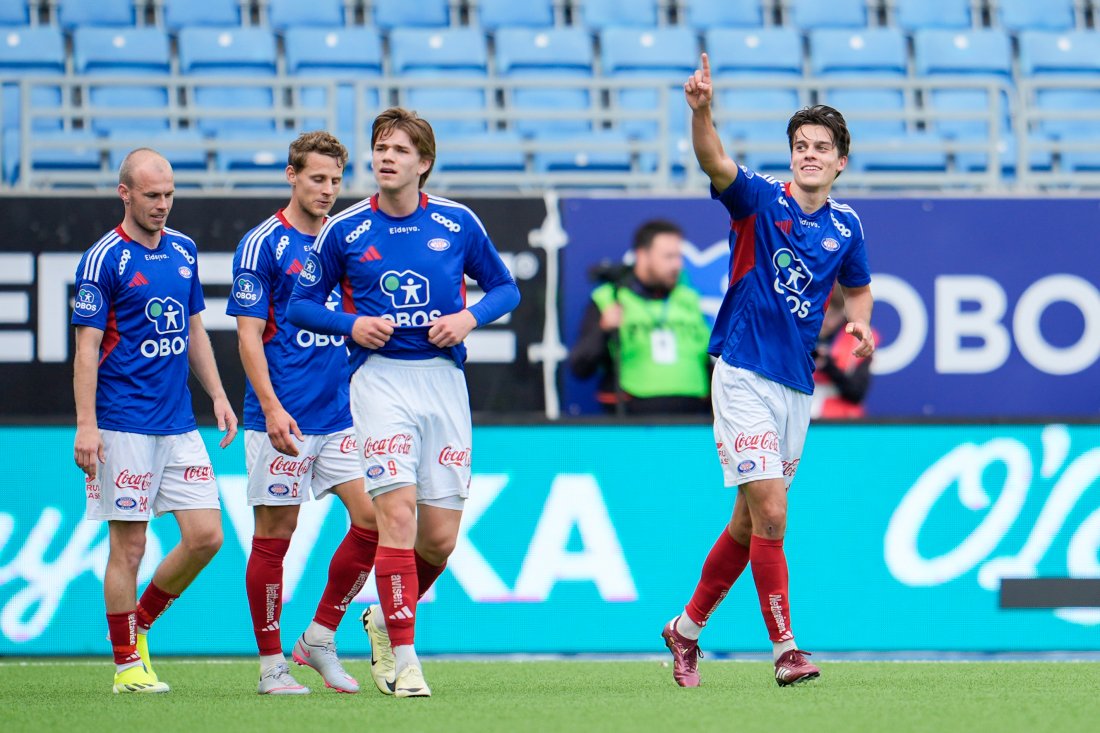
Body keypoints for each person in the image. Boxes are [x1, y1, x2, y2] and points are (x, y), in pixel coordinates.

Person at [287, 107, 520, 698]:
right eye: (379, 148)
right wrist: (351, 325)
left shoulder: (457, 222)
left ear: (423, 162)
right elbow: (299, 306)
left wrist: (468, 317)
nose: (385, 157)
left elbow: (506, 287)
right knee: (396, 516)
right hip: (379, 382)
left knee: (439, 538)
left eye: (397, 149)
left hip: (443, 381)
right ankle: (405, 659)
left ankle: (378, 621)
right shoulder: (344, 230)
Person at [661, 54, 875, 688]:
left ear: (841, 161)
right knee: (774, 513)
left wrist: (860, 323)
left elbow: (858, 289)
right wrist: (702, 113)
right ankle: (785, 648)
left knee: (749, 522)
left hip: (794, 385)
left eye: (822, 147)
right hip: (742, 371)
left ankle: (686, 629)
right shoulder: (758, 200)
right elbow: (714, 162)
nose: (809, 155)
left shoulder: (846, 226)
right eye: (800, 145)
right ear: (792, 155)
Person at [72, 148, 238, 694]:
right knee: (130, 546)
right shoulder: (103, 259)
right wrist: (86, 425)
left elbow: (194, 332)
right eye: (151, 195)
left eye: (169, 194)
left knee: (207, 537)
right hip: (122, 425)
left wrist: (216, 393)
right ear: (125, 193)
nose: (163, 205)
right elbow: (87, 348)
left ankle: (139, 623)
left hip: (178, 424)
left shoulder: (184, 250)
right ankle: (125, 665)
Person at [226, 131, 380, 695]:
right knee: (275, 536)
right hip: (281, 416)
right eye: (317, 179)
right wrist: (269, 408)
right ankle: (271, 665)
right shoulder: (263, 244)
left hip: (339, 415)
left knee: (373, 520)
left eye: (337, 181)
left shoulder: (345, 240)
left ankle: (319, 637)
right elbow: (247, 338)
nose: (328, 190)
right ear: (292, 176)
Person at [569, 220, 712, 415]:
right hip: (633, 421)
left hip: (694, 419)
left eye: (679, 257)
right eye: (669, 257)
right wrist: (603, 329)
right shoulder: (610, 298)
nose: (677, 265)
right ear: (642, 256)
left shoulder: (690, 299)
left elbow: (712, 361)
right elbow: (580, 368)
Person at [811, 285, 875, 418]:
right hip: (798, 416)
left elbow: (856, 393)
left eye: (834, 315)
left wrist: (828, 366)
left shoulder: (858, 341)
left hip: (839, 425)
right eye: (824, 313)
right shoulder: (797, 333)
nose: (827, 321)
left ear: (844, 314)